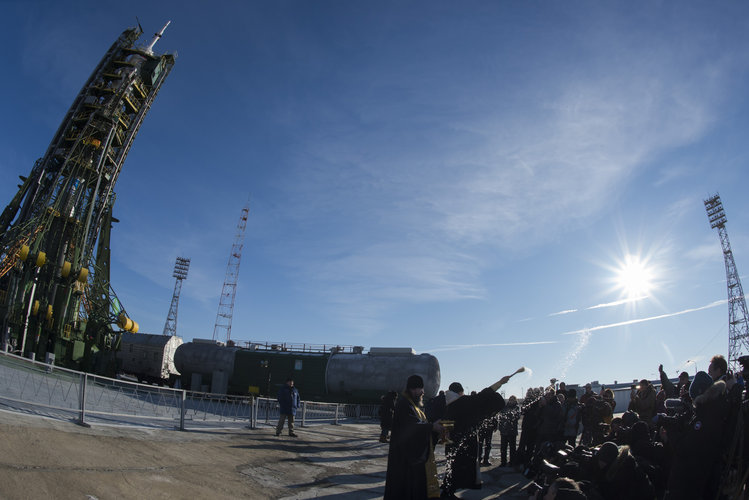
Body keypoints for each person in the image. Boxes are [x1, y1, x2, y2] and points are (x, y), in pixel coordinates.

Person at [441, 376, 509, 499]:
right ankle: (447, 493)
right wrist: (499, 383)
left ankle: (447, 490)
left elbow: (445, 426)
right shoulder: (462, 401)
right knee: (459, 469)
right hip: (464, 444)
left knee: (451, 467)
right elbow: (482, 397)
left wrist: (447, 443)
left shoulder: (447, 403)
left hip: (452, 443)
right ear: (460, 392)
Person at [384, 374, 444, 500]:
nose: (423, 392)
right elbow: (411, 426)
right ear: (413, 389)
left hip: (410, 458)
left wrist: (434, 428)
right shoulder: (404, 404)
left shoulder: (411, 405)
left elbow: (418, 425)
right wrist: (431, 427)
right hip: (404, 459)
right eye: (421, 389)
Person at [498, 395, 520, 467]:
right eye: (510, 399)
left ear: (515, 401)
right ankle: (503, 461)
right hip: (504, 430)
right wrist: (500, 428)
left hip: (512, 431)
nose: (511, 401)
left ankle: (512, 461)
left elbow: (517, 417)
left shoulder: (517, 408)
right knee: (503, 447)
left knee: (512, 447)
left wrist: (511, 415)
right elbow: (500, 418)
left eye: (513, 400)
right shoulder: (504, 407)